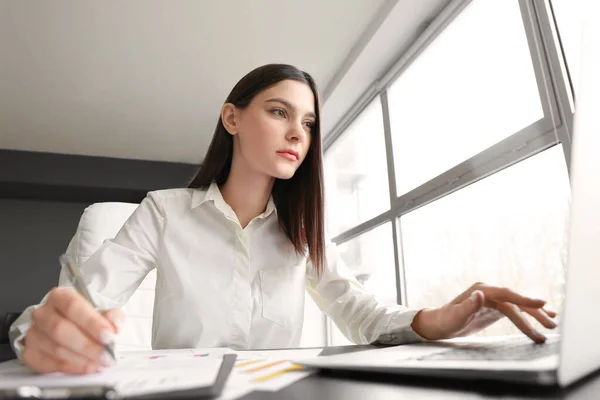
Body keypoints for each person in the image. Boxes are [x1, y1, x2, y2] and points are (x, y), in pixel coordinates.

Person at [10, 64, 557, 375]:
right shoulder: (163, 211)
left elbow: (359, 312)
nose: (299, 133)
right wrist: (40, 333)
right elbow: (78, 303)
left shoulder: (303, 234)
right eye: (279, 112)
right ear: (233, 118)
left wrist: (434, 320)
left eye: (309, 122)